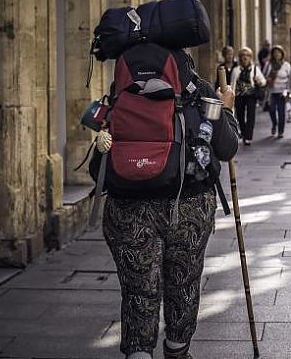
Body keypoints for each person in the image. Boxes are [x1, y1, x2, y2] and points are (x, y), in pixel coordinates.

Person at [103, 53, 240, 359]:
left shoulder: (122, 88)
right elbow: (226, 147)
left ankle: (138, 353)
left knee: (138, 286)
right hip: (188, 202)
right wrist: (226, 109)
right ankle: (177, 349)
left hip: (127, 203)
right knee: (184, 278)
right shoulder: (200, 89)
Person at [231, 47, 267, 146]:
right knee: (240, 116)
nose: (245, 58)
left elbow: (263, 82)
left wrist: (258, 80)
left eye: (247, 56)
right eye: (243, 56)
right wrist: (231, 97)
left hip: (251, 95)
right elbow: (232, 84)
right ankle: (243, 132)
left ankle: (249, 137)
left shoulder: (255, 69)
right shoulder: (236, 70)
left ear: (250, 57)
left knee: (251, 116)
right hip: (239, 95)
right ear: (240, 58)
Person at [264, 45, 291, 139]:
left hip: (282, 92)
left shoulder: (286, 65)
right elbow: (264, 76)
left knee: (281, 112)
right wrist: (268, 79)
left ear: (282, 54)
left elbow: (290, 79)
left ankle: (280, 130)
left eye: (279, 52)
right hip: (272, 91)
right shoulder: (269, 64)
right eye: (275, 52)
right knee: (271, 110)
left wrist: (288, 91)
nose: (277, 54)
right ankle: (274, 124)